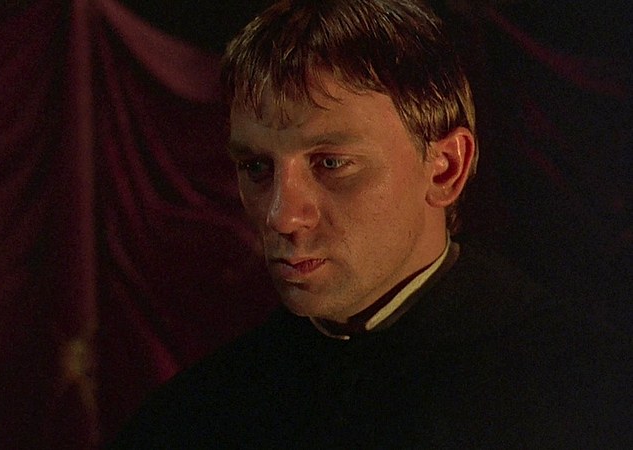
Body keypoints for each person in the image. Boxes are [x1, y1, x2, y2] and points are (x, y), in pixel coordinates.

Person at [109, 0, 632, 448]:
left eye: (331, 163)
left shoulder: (591, 394)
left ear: (445, 169)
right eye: (257, 168)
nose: (281, 216)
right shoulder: (196, 415)